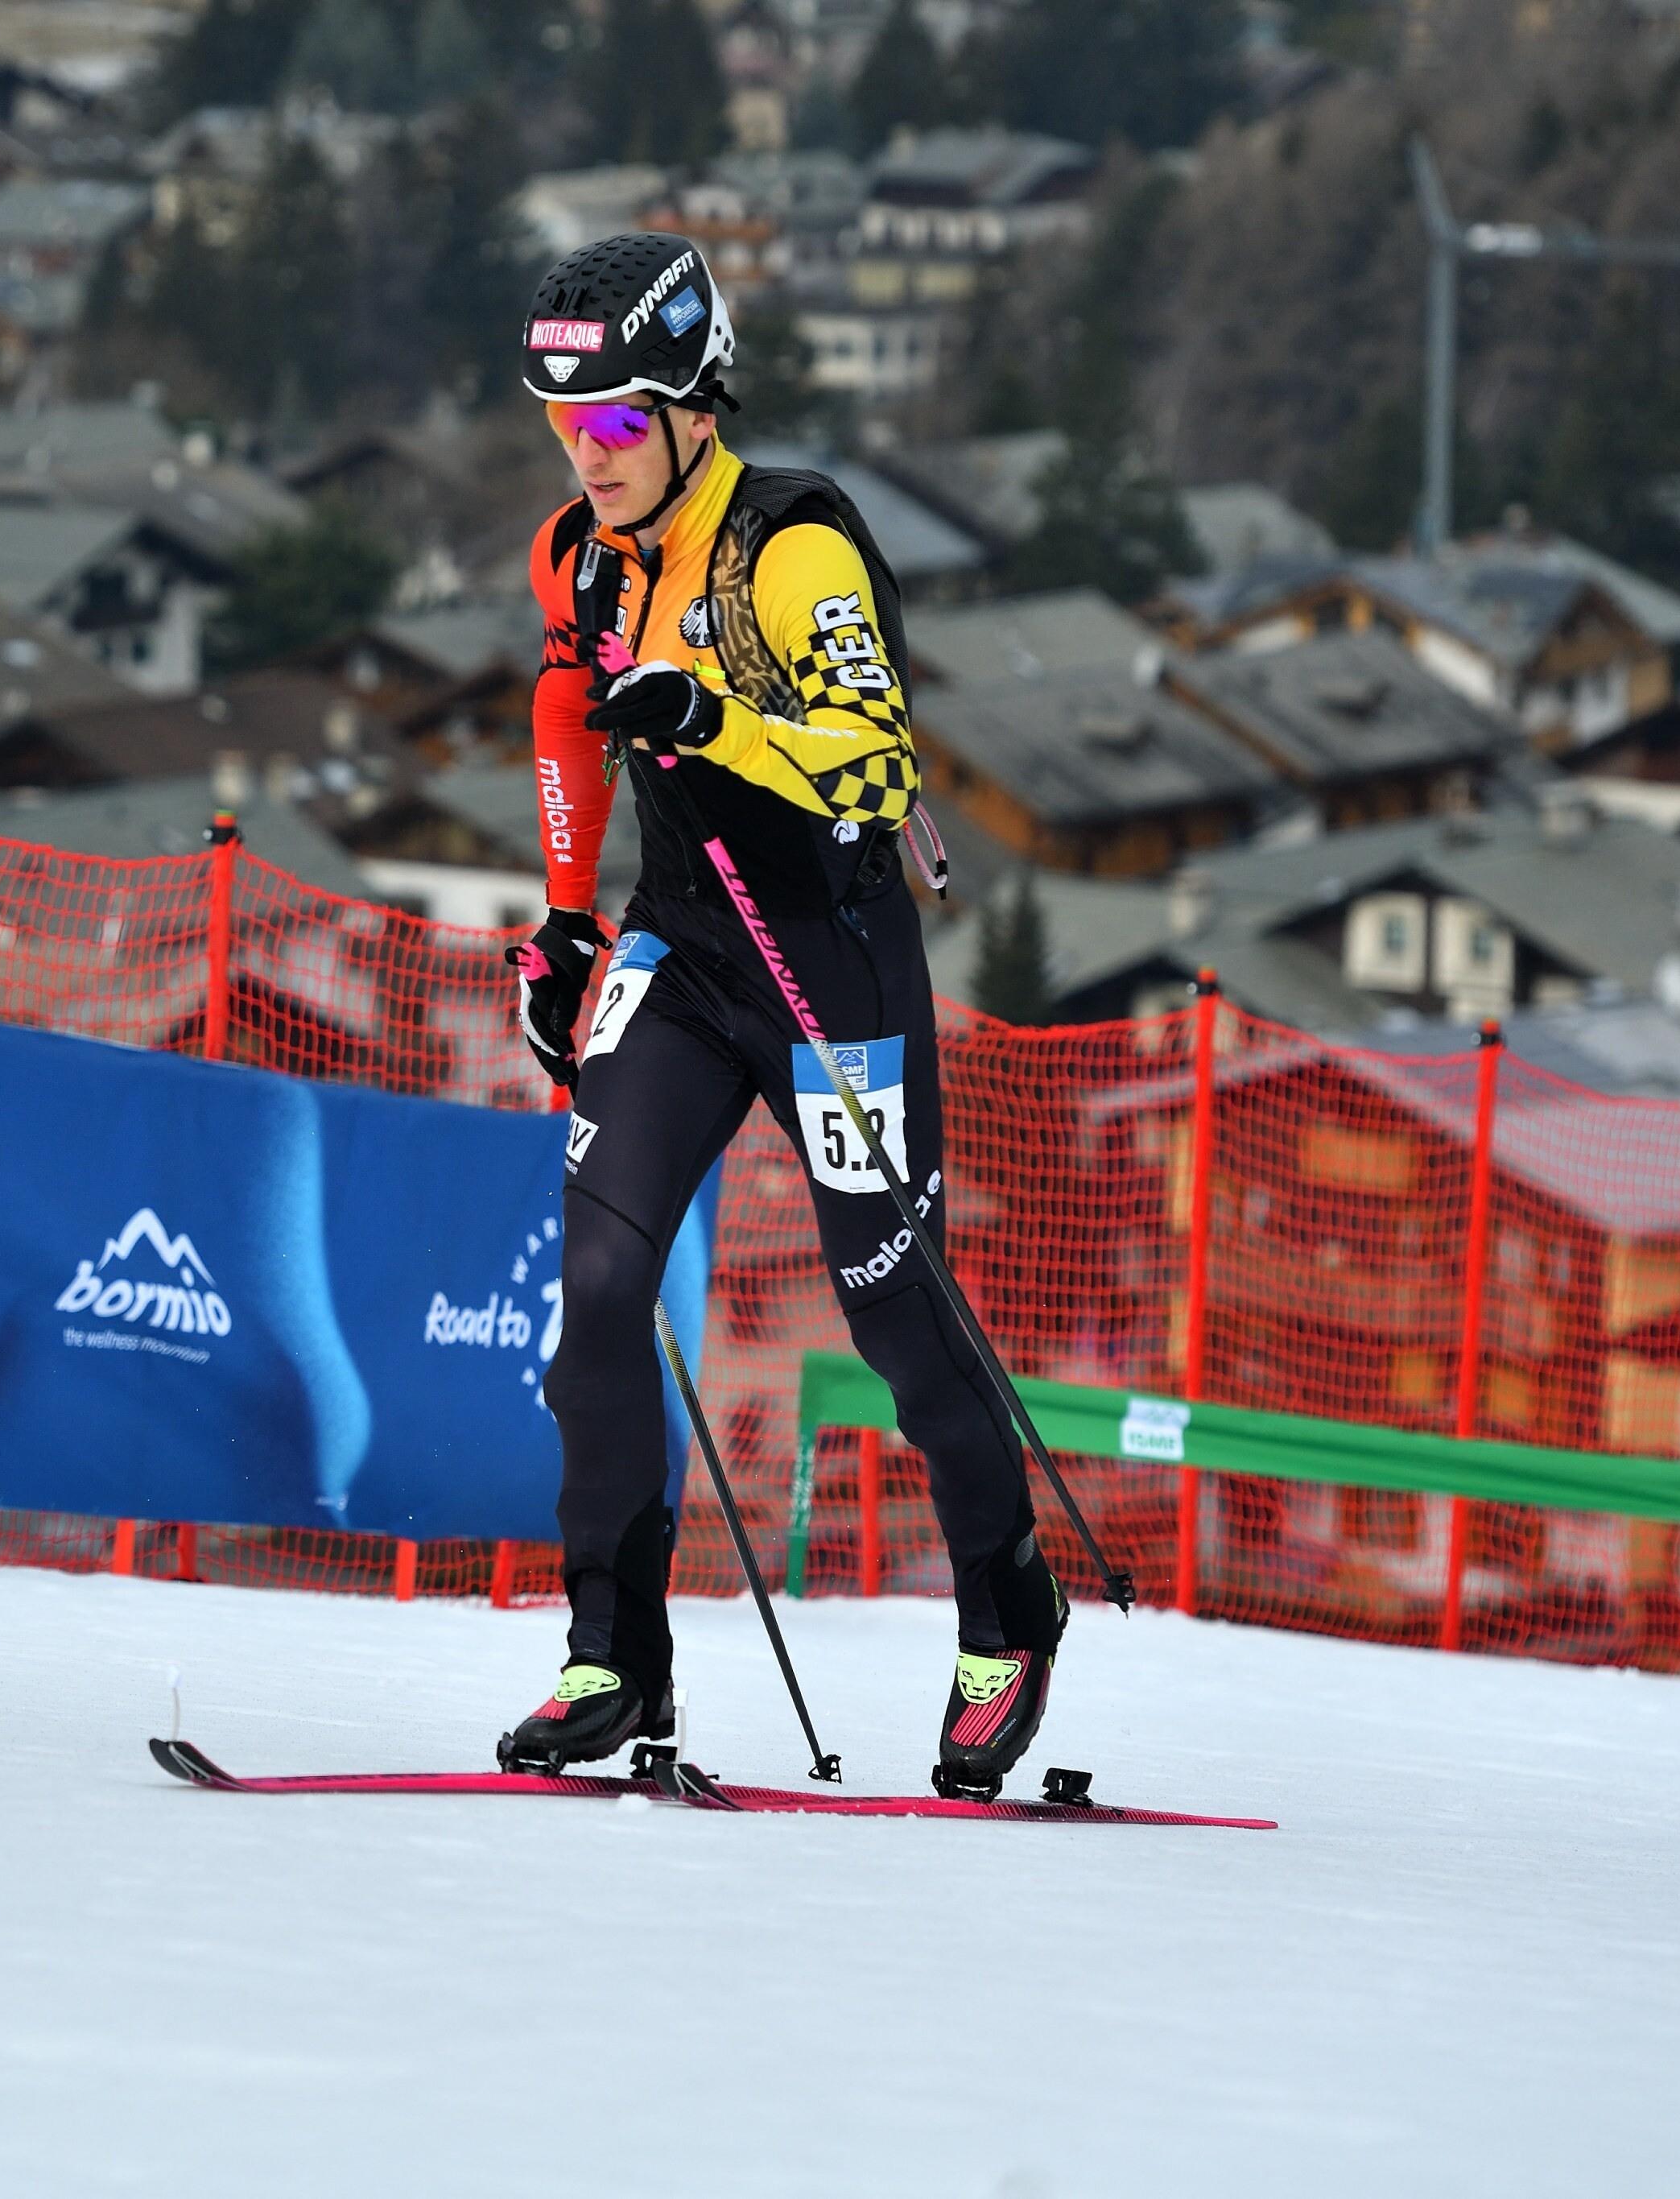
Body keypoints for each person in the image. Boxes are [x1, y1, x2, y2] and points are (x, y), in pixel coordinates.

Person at [497, 233, 1065, 1797]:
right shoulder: (580, 555)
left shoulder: (792, 549)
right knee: (600, 1279)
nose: (586, 453)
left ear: (689, 404)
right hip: (684, 946)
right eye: (562, 422)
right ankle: (609, 1654)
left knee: (890, 1311)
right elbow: (563, 717)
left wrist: (715, 716)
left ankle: (1003, 1610)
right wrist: (559, 917)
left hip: (828, 955)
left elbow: (878, 770)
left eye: (614, 421)